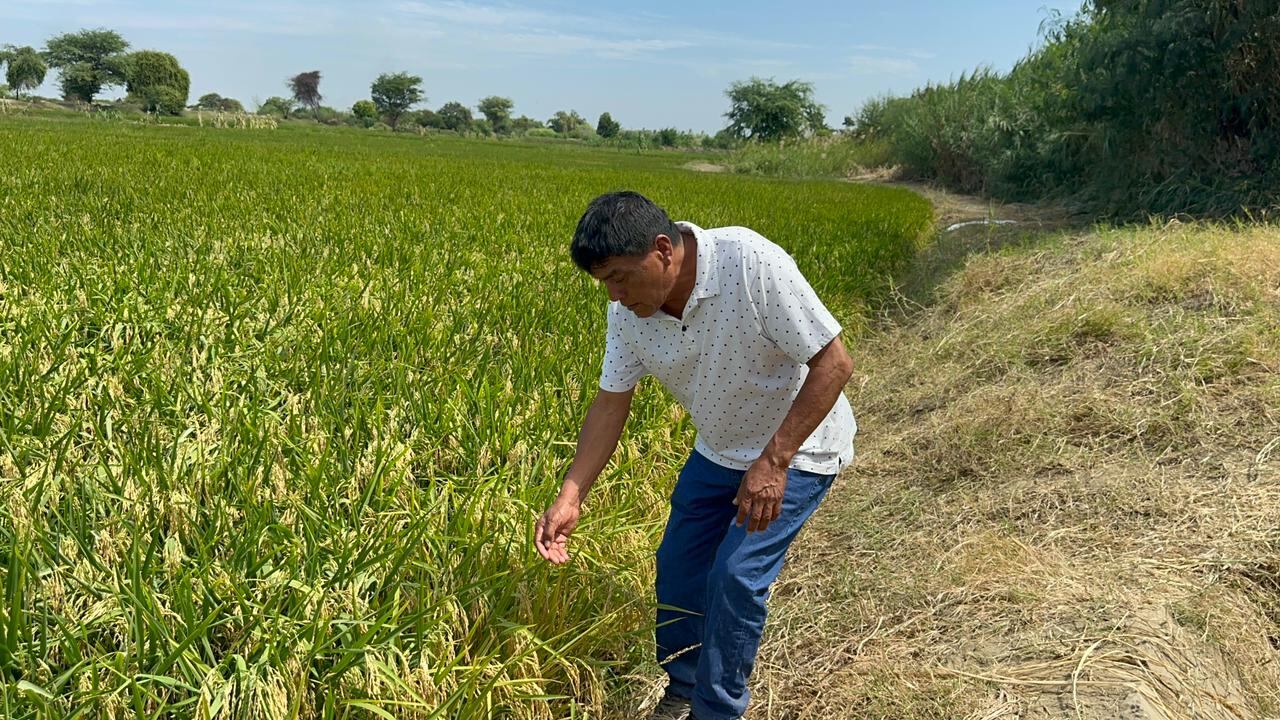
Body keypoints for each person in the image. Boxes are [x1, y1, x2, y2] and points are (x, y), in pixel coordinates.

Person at [535, 191, 856, 720]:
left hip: (798, 447)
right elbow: (611, 403)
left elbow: (834, 362)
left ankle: (716, 710)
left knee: (735, 576)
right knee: (679, 568)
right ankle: (684, 685)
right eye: (603, 283)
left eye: (620, 277)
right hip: (720, 449)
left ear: (663, 249)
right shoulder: (628, 313)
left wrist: (774, 461)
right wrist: (571, 496)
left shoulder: (749, 263)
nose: (614, 295)